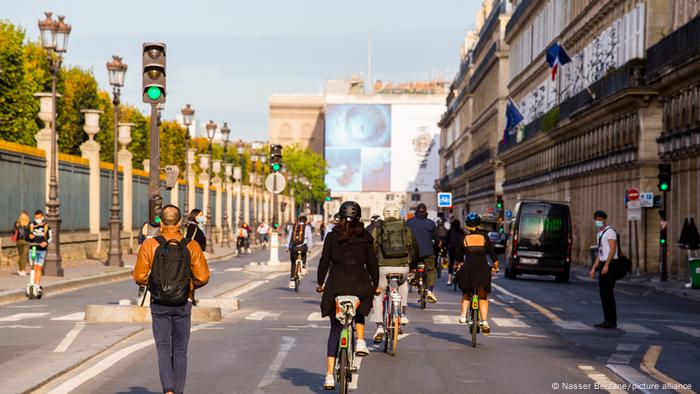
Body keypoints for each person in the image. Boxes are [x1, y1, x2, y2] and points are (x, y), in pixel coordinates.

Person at [134, 204, 209, 394]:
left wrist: (156, 285)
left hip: (159, 303)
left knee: (163, 349)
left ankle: (168, 390)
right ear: (180, 222)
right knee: (180, 351)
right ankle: (178, 390)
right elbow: (203, 277)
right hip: (183, 303)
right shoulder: (191, 245)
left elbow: (139, 276)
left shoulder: (150, 245)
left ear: (161, 223)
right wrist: (186, 287)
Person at [316, 201, 378, 390]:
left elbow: (324, 261)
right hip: (359, 282)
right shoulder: (365, 236)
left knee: (335, 329)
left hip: (336, 285)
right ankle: (360, 341)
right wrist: (375, 285)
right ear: (359, 216)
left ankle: (328, 376)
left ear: (340, 217)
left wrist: (320, 283)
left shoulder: (332, 236)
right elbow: (373, 264)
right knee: (361, 301)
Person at [370, 204, 418, 343]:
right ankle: (402, 313)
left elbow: (372, 248)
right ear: (398, 214)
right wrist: (411, 266)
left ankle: (379, 326)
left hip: (383, 268)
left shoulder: (378, 229)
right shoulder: (406, 229)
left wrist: (372, 266)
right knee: (403, 284)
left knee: (378, 295)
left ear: (385, 215)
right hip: (402, 267)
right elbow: (414, 248)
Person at [455, 213, 499, 335]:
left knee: (466, 293)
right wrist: (496, 267)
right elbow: (493, 255)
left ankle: (463, 315)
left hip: (468, 269)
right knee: (483, 296)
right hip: (482, 269)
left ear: (467, 225)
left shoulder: (463, 238)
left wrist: (457, 265)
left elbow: (458, 257)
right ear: (479, 224)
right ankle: (484, 321)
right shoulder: (485, 237)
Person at [589, 210, 620, 329]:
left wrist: (607, 265)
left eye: (600, 219)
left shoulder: (610, 232)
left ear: (605, 220)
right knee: (603, 293)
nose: (598, 221)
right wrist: (593, 268)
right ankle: (607, 319)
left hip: (611, 264)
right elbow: (600, 253)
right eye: (596, 219)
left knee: (608, 293)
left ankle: (612, 320)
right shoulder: (599, 234)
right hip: (603, 263)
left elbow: (613, 249)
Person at [406, 203, 438, 303]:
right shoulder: (431, 223)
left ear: (416, 211)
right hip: (427, 252)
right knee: (431, 270)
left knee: (410, 267)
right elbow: (436, 238)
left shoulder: (409, 222)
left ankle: (412, 276)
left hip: (413, 253)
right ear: (425, 211)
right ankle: (430, 291)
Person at [286, 215, 314, 288]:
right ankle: (304, 267)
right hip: (303, 247)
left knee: (293, 263)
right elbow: (310, 239)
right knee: (304, 254)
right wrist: (309, 248)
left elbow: (289, 238)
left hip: (294, 248)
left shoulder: (293, 227)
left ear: (298, 220)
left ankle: (292, 280)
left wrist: (288, 247)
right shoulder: (307, 227)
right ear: (305, 221)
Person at [27, 210, 50, 288]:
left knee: (39, 267)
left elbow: (50, 238)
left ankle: (36, 285)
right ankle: (31, 283)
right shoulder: (31, 225)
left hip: (42, 250)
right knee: (32, 267)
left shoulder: (46, 226)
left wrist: (46, 242)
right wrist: (29, 236)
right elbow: (26, 235)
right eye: (36, 218)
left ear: (42, 217)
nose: (37, 219)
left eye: (39, 218)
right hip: (32, 248)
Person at [446, 218, 465, 286]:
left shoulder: (450, 231)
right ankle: (462, 278)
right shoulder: (461, 231)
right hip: (460, 250)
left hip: (451, 249)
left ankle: (449, 279)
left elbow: (446, 241)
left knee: (451, 263)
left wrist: (445, 246)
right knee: (461, 262)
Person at [12, 211, 31, 276]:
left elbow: (13, 231)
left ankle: (20, 270)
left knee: (21, 255)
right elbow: (30, 233)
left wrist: (16, 226)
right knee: (24, 256)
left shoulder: (17, 222)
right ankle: (22, 270)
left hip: (18, 241)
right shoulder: (29, 223)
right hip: (26, 241)